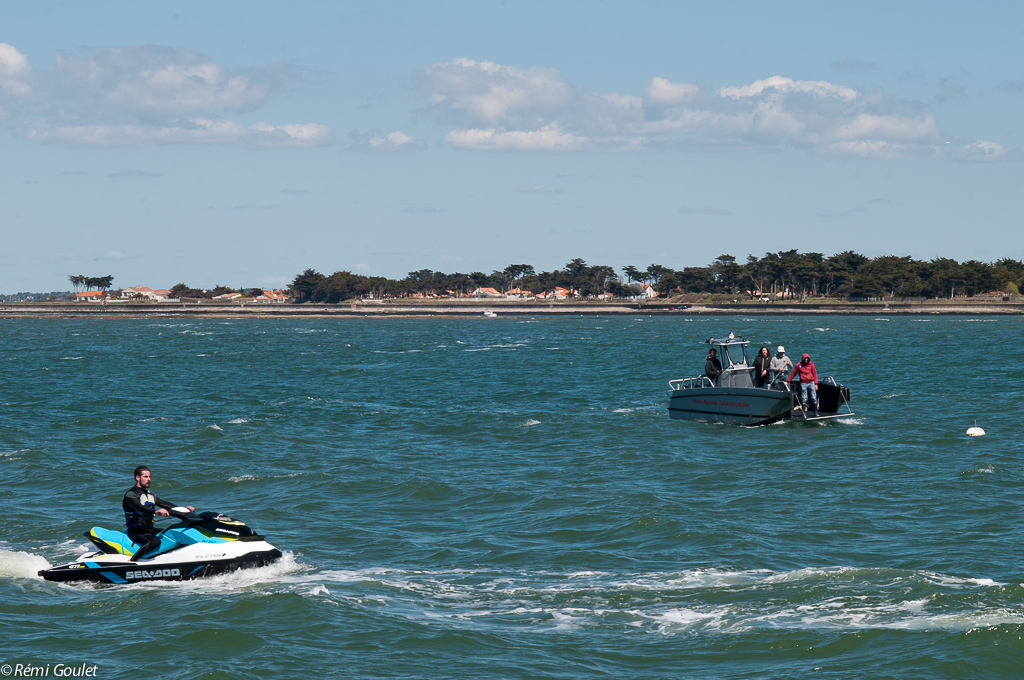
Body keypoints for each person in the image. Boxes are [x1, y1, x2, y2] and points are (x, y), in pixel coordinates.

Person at [123, 466, 194, 562]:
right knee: (155, 541)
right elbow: (139, 507)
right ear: (137, 478)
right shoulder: (130, 495)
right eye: (146, 477)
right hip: (136, 531)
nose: (149, 479)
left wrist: (183, 509)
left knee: (172, 534)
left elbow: (165, 504)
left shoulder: (150, 494)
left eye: (149, 477)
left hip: (149, 529)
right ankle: (133, 560)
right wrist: (156, 511)